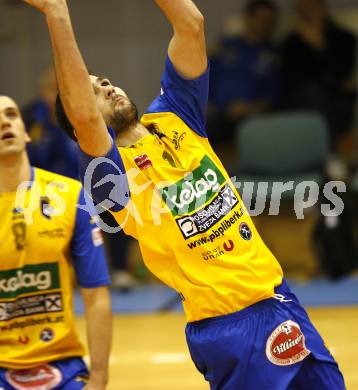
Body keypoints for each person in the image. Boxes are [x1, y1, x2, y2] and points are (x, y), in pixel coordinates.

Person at [24, 0, 345, 388]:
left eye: (105, 80)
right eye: (92, 90)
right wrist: (56, 12)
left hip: (280, 298)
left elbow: (191, 24)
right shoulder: (107, 177)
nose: (105, 87)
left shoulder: (175, 114)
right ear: (79, 127)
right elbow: (84, 114)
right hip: (228, 326)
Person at [0, 95, 112, 389]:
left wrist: (99, 377)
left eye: (11, 114)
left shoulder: (70, 196)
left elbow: (96, 296)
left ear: (26, 132)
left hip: (63, 367)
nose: (4, 122)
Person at [280, 0, 357, 152]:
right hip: (301, 99)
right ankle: (327, 155)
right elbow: (288, 78)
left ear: (322, 9)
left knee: (320, 97)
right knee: (312, 93)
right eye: (302, 11)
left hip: (336, 98)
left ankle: (326, 154)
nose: (307, 14)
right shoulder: (291, 42)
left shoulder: (345, 38)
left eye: (310, 9)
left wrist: (319, 46)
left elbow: (342, 74)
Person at [207, 0, 280, 159]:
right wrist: (224, 106)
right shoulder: (225, 46)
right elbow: (206, 82)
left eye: (269, 21)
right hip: (220, 112)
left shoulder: (273, 54)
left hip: (254, 116)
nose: (265, 25)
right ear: (248, 18)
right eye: (261, 19)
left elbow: (273, 97)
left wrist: (248, 108)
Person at [23, 66, 79, 179]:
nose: (61, 96)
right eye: (55, 89)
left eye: (66, 90)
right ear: (43, 93)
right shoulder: (29, 120)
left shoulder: (86, 119)